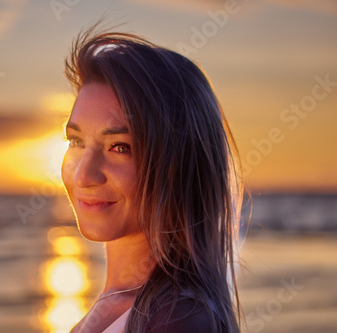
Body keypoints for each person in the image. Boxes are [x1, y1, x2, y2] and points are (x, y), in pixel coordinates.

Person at [60, 24, 244, 333]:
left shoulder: (177, 318)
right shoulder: (122, 305)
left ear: (177, 163)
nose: (83, 175)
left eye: (120, 147)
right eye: (76, 142)